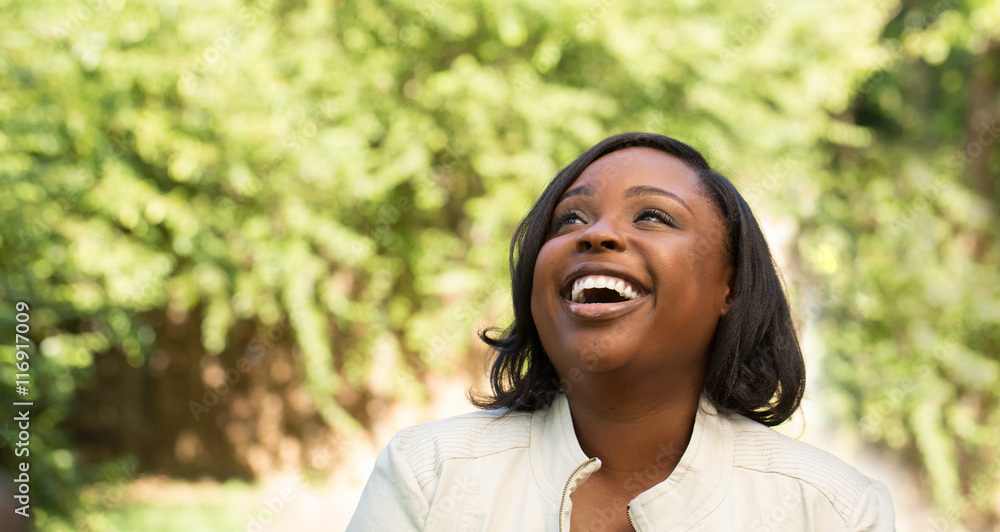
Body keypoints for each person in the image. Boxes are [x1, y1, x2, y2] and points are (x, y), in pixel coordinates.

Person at [347, 132, 895, 531]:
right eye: (570, 219)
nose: (598, 235)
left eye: (653, 217)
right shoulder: (429, 476)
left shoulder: (832, 511)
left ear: (729, 286)